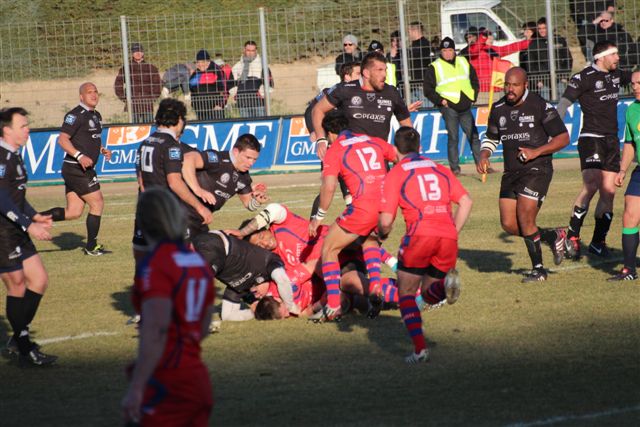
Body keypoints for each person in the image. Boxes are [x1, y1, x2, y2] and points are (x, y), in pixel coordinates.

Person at [122, 188, 215, 426]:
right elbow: (204, 325)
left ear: (143, 221)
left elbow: (156, 329)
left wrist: (137, 386)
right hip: (198, 377)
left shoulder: (156, 264)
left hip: (167, 379)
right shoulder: (198, 262)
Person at [378, 126, 472, 363]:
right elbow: (466, 202)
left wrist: (380, 235)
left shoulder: (396, 173)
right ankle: (445, 288)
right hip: (447, 237)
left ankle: (420, 350)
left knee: (406, 293)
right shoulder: (439, 168)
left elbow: (386, 221)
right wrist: (452, 231)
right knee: (429, 295)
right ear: (420, 147)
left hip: (419, 235)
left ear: (395, 150)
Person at [478, 68, 570, 282]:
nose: (510, 90)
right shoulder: (499, 108)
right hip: (512, 172)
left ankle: (538, 270)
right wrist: (484, 154)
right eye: (507, 85)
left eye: (515, 85)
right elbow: (492, 137)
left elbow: (563, 138)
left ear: (525, 85)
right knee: (509, 224)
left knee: (525, 216)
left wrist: (535, 152)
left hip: (538, 169)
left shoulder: (540, 105)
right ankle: (552, 236)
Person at [308, 111, 397, 320]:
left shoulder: (335, 149)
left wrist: (318, 217)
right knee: (369, 241)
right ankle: (375, 285)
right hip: (386, 208)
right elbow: (400, 156)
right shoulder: (372, 140)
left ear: (330, 133)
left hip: (363, 209)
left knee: (329, 249)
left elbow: (329, 187)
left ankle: (333, 304)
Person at [556, 41, 633, 259]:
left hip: (611, 141)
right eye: (614, 54)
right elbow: (563, 104)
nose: (618, 58)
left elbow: (636, 78)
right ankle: (572, 237)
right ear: (601, 57)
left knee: (609, 191)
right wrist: (555, 129)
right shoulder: (584, 77)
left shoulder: (617, 74)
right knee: (591, 185)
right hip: (591, 139)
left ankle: (598, 242)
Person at [0, 107, 57, 366]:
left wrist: (34, 216)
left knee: (39, 280)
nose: (28, 129)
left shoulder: (16, 156)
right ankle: (24, 348)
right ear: (7, 130)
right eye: (22, 126)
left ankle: (18, 338)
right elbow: (1, 199)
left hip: (17, 229)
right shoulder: (1, 157)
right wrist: (28, 224)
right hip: (3, 233)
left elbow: (17, 198)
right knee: (18, 285)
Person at [132, 98, 212, 263]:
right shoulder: (171, 146)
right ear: (179, 120)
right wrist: (199, 207)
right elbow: (174, 182)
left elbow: (141, 182)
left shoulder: (145, 143)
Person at [40, 83, 112, 256]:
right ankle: (91, 247)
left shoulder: (96, 115)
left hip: (80, 168)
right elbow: (63, 140)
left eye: (96, 92)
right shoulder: (74, 115)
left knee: (73, 212)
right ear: (81, 96)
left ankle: (30, 219)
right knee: (97, 203)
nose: (94, 95)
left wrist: (101, 149)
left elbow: (89, 138)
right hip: (76, 168)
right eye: (89, 92)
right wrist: (80, 156)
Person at [312, 51, 415, 160]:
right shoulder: (345, 89)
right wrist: (321, 139)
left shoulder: (391, 93)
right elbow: (317, 109)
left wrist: (410, 148)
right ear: (366, 73)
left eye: (385, 70)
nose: (384, 75)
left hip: (378, 160)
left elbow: (407, 125)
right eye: (379, 70)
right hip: (349, 160)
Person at [191, 230, 299, 321]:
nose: (257, 295)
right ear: (276, 298)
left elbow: (227, 315)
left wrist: (255, 312)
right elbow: (282, 279)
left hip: (203, 250)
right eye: (284, 311)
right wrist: (289, 305)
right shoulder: (270, 262)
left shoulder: (241, 288)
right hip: (216, 245)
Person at [181, 134, 268, 238]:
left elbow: (249, 204)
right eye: (248, 157)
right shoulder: (218, 159)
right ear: (236, 152)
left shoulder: (244, 177)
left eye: (254, 159)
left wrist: (257, 200)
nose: (251, 163)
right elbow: (188, 159)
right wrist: (197, 189)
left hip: (200, 219)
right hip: (181, 212)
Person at [423, 37, 481, 176]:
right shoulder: (435, 66)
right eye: (444, 50)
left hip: (465, 106)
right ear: (440, 51)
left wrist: (473, 96)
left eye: (450, 50)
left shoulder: (463, 61)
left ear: (454, 50)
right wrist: (441, 101)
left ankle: (482, 166)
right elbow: (428, 90)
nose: (448, 53)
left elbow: (474, 80)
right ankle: (455, 169)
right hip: (449, 107)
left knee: (473, 136)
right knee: (453, 137)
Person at [608, 71, 640, 281]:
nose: (635, 87)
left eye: (639, 83)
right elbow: (630, 144)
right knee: (629, 213)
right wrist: (622, 169)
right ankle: (629, 269)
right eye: (633, 84)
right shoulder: (632, 110)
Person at [468, 28, 531, 93]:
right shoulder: (473, 50)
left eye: (491, 37)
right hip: (480, 89)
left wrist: (529, 42)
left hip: (494, 88)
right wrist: (483, 38)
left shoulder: (493, 49)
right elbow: (474, 50)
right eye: (487, 37)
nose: (491, 39)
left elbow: (510, 48)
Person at [114, 43, 162, 124]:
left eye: (139, 51)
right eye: (135, 51)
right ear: (132, 54)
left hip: (147, 105)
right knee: (133, 129)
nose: (138, 53)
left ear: (143, 53)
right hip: (133, 105)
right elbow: (118, 84)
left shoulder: (151, 68)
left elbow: (157, 84)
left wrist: (152, 98)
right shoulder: (126, 68)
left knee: (149, 127)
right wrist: (125, 98)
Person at [527, 17, 573, 101]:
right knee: (545, 106)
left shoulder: (559, 40)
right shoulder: (534, 44)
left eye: (544, 28)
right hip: (543, 81)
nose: (542, 30)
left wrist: (565, 76)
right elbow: (530, 64)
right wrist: (537, 81)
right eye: (539, 28)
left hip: (559, 79)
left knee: (562, 104)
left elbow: (568, 59)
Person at [229, 41, 274, 118]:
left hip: (259, 104)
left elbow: (270, 84)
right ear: (244, 50)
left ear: (256, 51)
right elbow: (230, 84)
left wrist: (261, 95)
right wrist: (237, 95)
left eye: (252, 51)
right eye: (248, 50)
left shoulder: (262, 66)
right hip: (242, 105)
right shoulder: (237, 67)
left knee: (261, 126)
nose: (250, 53)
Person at [189, 49, 227, 121]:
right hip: (200, 109)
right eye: (198, 62)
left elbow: (224, 89)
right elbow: (191, 88)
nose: (200, 64)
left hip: (215, 109)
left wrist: (220, 104)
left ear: (208, 61)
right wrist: (194, 104)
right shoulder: (195, 73)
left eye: (202, 62)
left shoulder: (216, 70)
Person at [407, 21, 434, 105]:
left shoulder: (425, 45)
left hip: (423, 86)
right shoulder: (413, 46)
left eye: (409, 31)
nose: (408, 34)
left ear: (414, 30)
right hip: (413, 86)